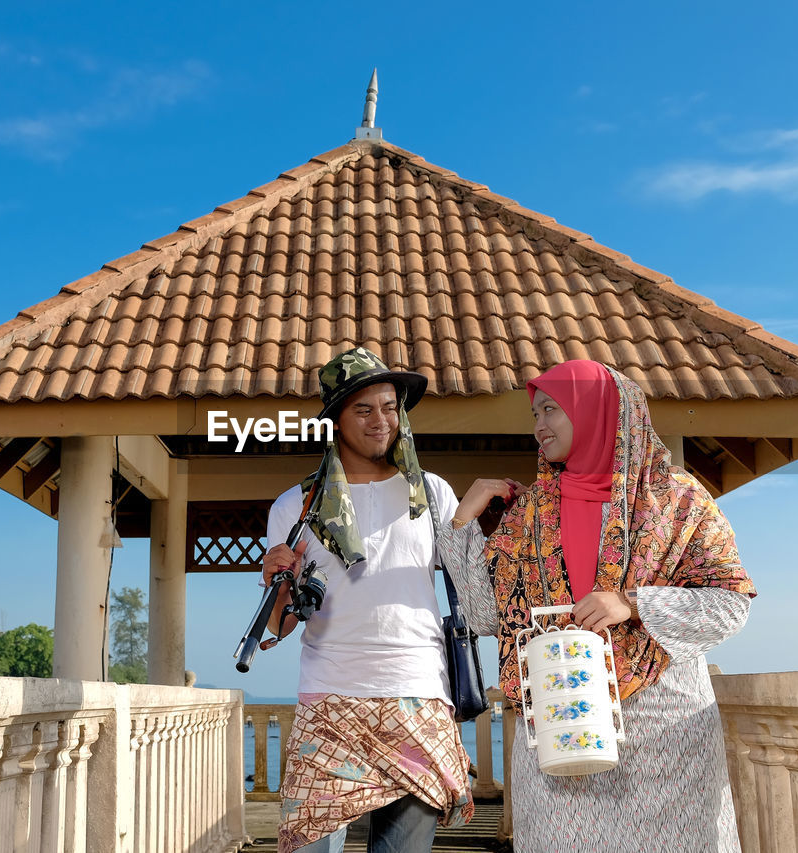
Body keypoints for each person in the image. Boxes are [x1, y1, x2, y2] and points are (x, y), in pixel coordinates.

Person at [439, 359, 757, 852]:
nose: (539, 425)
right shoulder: (528, 515)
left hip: (664, 736)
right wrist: (461, 523)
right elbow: (486, 618)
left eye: (552, 409)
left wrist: (632, 603)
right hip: (557, 736)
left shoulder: (676, 501)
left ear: (599, 412)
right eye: (534, 413)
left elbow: (729, 606)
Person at [260, 346, 474, 853]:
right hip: (329, 698)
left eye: (390, 407)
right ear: (335, 420)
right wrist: (274, 577)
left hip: (418, 696)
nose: (382, 420)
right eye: (364, 409)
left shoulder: (433, 493)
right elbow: (280, 626)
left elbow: (474, 589)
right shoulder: (296, 506)